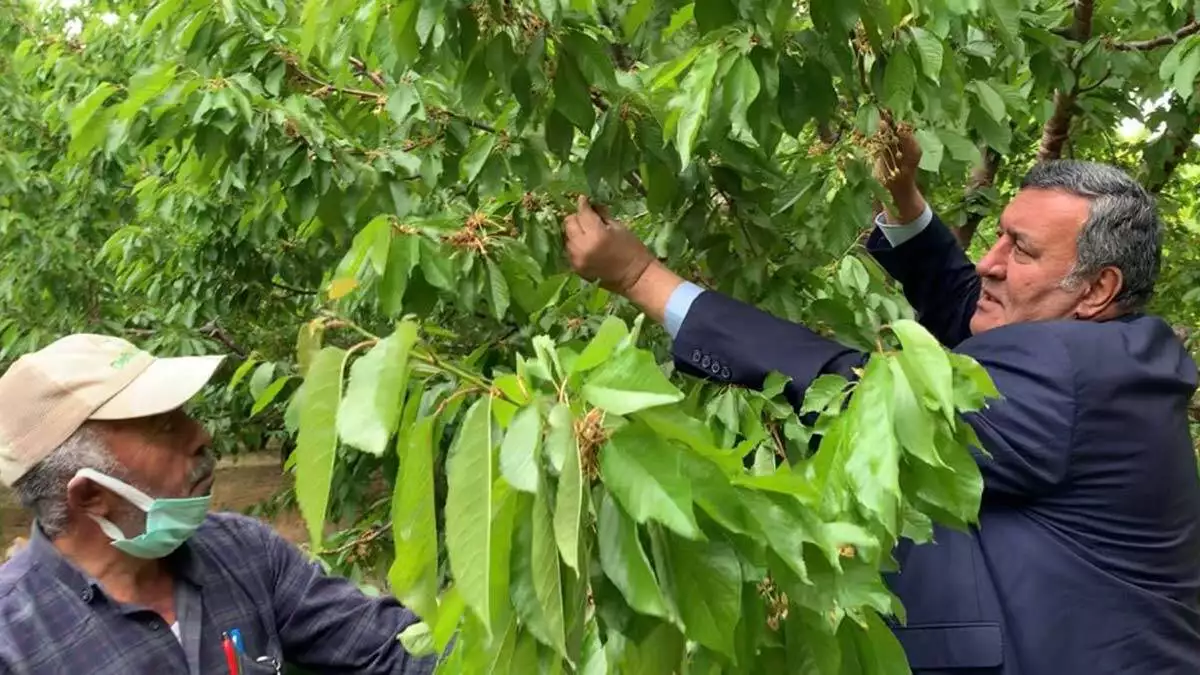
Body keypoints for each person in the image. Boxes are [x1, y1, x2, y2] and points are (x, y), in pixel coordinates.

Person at [562, 130, 1200, 674]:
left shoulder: (1068, 374)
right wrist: (906, 200)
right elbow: (968, 313)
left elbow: (862, 392)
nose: (988, 262)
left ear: (1098, 287)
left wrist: (641, 277)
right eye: (1000, 236)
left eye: (1022, 250)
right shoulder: (1104, 352)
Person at [0, 335, 436, 674]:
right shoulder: (12, 644)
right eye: (165, 424)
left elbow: (387, 650)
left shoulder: (244, 551)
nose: (200, 434)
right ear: (91, 495)